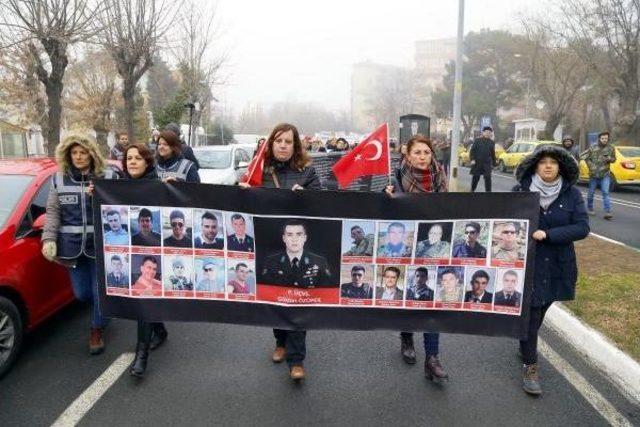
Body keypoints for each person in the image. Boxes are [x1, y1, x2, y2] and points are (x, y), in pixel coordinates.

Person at [239, 122, 321, 381]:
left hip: (298, 246)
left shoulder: (307, 171)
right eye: (279, 141)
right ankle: (280, 341)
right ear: (270, 144)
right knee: (275, 298)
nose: (283, 145)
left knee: (298, 300)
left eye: (288, 141)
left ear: (295, 145)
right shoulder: (258, 170)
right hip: (269, 246)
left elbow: (324, 200)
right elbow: (237, 195)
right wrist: (242, 191)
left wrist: (307, 195)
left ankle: (297, 360)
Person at [513, 143, 589, 395]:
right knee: (532, 315)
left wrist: (549, 233)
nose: (548, 166)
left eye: (553, 162)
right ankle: (530, 365)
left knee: (543, 308)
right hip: (530, 263)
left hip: (559, 263)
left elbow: (582, 228)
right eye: (543, 161)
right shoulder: (520, 191)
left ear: (560, 167)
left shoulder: (572, 195)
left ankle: (525, 342)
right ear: (535, 165)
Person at [41, 133, 121, 355]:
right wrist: (48, 239)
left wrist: (101, 196)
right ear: (68, 154)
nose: (78, 156)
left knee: (97, 293)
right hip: (72, 249)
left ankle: (96, 330)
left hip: (101, 247)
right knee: (81, 294)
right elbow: (53, 213)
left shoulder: (108, 176)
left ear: (91, 153)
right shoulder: (58, 179)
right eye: (74, 152)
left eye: (83, 152)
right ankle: (104, 313)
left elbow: (122, 207)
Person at [383, 134, 448, 380]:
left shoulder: (439, 176)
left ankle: (432, 357)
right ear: (408, 155)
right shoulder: (397, 177)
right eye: (418, 152)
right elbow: (385, 211)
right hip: (407, 247)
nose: (423, 157)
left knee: (431, 298)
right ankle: (407, 337)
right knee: (410, 296)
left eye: (427, 152)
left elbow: (450, 208)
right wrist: (387, 195)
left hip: (432, 248)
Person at [121, 143, 170, 378]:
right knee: (141, 302)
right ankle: (159, 329)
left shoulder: (159, 186)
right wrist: (95, 196)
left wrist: (173, 191)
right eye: (129, 158)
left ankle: (141, 356)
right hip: (131, 254)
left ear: (147, 162)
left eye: (138, 158)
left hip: (155, 257)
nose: (132, 162)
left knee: (144, 301)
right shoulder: (116, 186)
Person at [584, 131, 616, 220]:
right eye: (603, 138)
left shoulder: (611, 148)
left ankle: (608, 212)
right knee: (591, 193)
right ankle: (590, 208)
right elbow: (586, 157)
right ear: (599, 138)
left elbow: (614, 159)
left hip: (605, 174)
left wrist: (609, 158)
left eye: (606, 138)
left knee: (605, 192)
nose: (604, 140)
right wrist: (590, 166)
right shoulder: (593, 147)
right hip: (593, 175)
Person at [469, 126, 496, 192]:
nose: (488, 133)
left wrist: (494, 163)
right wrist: (472, 159)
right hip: (477, 163)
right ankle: (472, 190)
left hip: (487, 164)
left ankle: (488, 193)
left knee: (488, 178)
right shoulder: (477, 140)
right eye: (486, 132)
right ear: (483, 132)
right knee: (476, 178)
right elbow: (472, 151)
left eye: (489, 132)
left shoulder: (492, 142)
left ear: (491, 134)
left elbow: (492, 154)